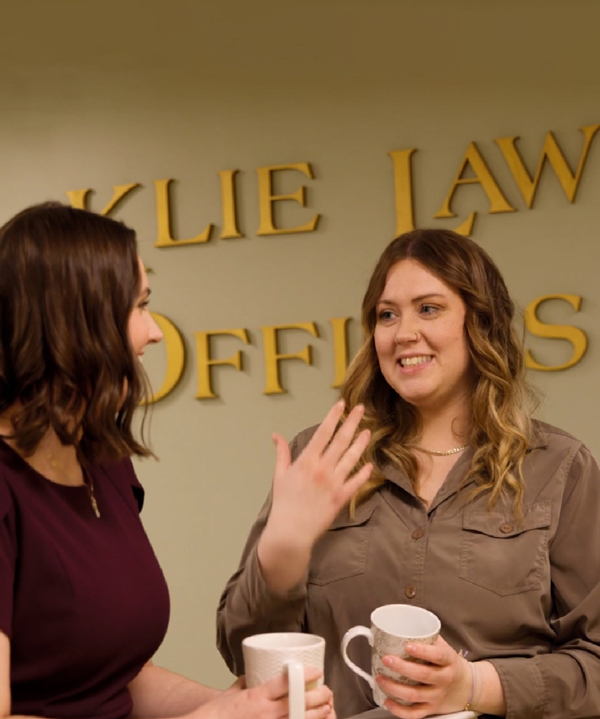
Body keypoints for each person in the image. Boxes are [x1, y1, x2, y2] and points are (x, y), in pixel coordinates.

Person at [217, 228, 600, 719]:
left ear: (480, 323)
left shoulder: (558, 468)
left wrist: (475, 685)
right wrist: (281, 557)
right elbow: (243, 655)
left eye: (429, 308)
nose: (402, 333)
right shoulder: (324, 457)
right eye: (387, 314)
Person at [0, 202, 336, 719]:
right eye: (139, 307)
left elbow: (114, 681)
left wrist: (239, 705)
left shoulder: (102, 462)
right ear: (78, 323)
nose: (155, 332)